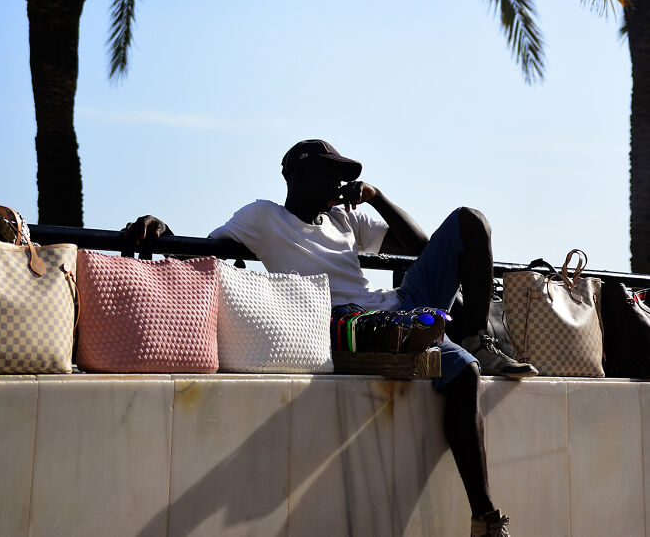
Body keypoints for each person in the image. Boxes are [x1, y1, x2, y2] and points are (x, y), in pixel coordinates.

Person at [125, 138, 536, 537]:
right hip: (349, 323)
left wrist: (376, 197)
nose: (338, 183)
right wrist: (161, 229)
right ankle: (486, 518)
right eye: (331, 173)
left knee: (471, 221)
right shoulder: (263, 218)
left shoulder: (345, 218)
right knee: (464, 372)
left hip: (399, 303)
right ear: (296, 176)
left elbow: (422, 247)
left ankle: (476, 336)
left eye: (344, 175)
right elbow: (204, 253)